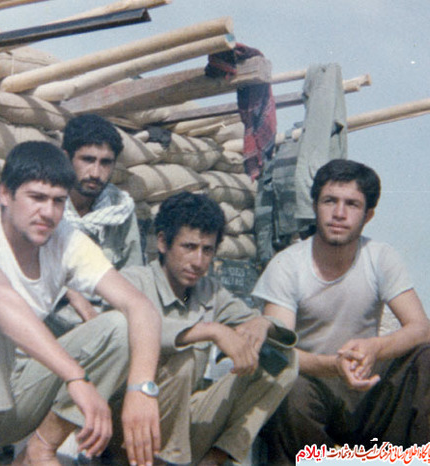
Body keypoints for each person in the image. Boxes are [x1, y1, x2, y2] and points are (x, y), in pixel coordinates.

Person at [0, 141, 162, 466]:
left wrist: (141, 389)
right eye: (37, 198)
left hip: (15, 393)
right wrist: (76, 377)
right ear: (6, 194)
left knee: (118, 326)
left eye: (58, 201)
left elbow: (140, 306)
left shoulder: (66, 240)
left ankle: (39, 450)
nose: (48, 212)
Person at [252, 159, 430, 465]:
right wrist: (333, 366)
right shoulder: (288, 266)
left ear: (368, 215)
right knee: (288, 388)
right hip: (314, 396)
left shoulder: (380, 257)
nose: (339, 213)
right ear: (314, 206)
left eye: (351, 204)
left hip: (370, 394)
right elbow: (279, 352)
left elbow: (421, 328)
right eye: (330, 201)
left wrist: (376, 347)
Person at [110, 191, 298, 466]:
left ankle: (214, 458)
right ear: (162, 242)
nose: (198, 261)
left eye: (207, 250)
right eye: (189, 247)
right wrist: (212, 330)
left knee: (283, 362)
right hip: (127, 426)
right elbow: (124, 330)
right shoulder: (133, 282)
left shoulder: (210, 291)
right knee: (182, 361)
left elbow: (264, 327)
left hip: (181, 423)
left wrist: (263, 323)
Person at [54, 113, 144, 327]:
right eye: (87, 160)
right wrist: (71, 295)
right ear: (66, 158)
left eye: (105, 163)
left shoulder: (119, 211)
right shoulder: (47, 203)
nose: (95, 173)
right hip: (50, 315)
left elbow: (132, 276)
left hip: (103, 320)